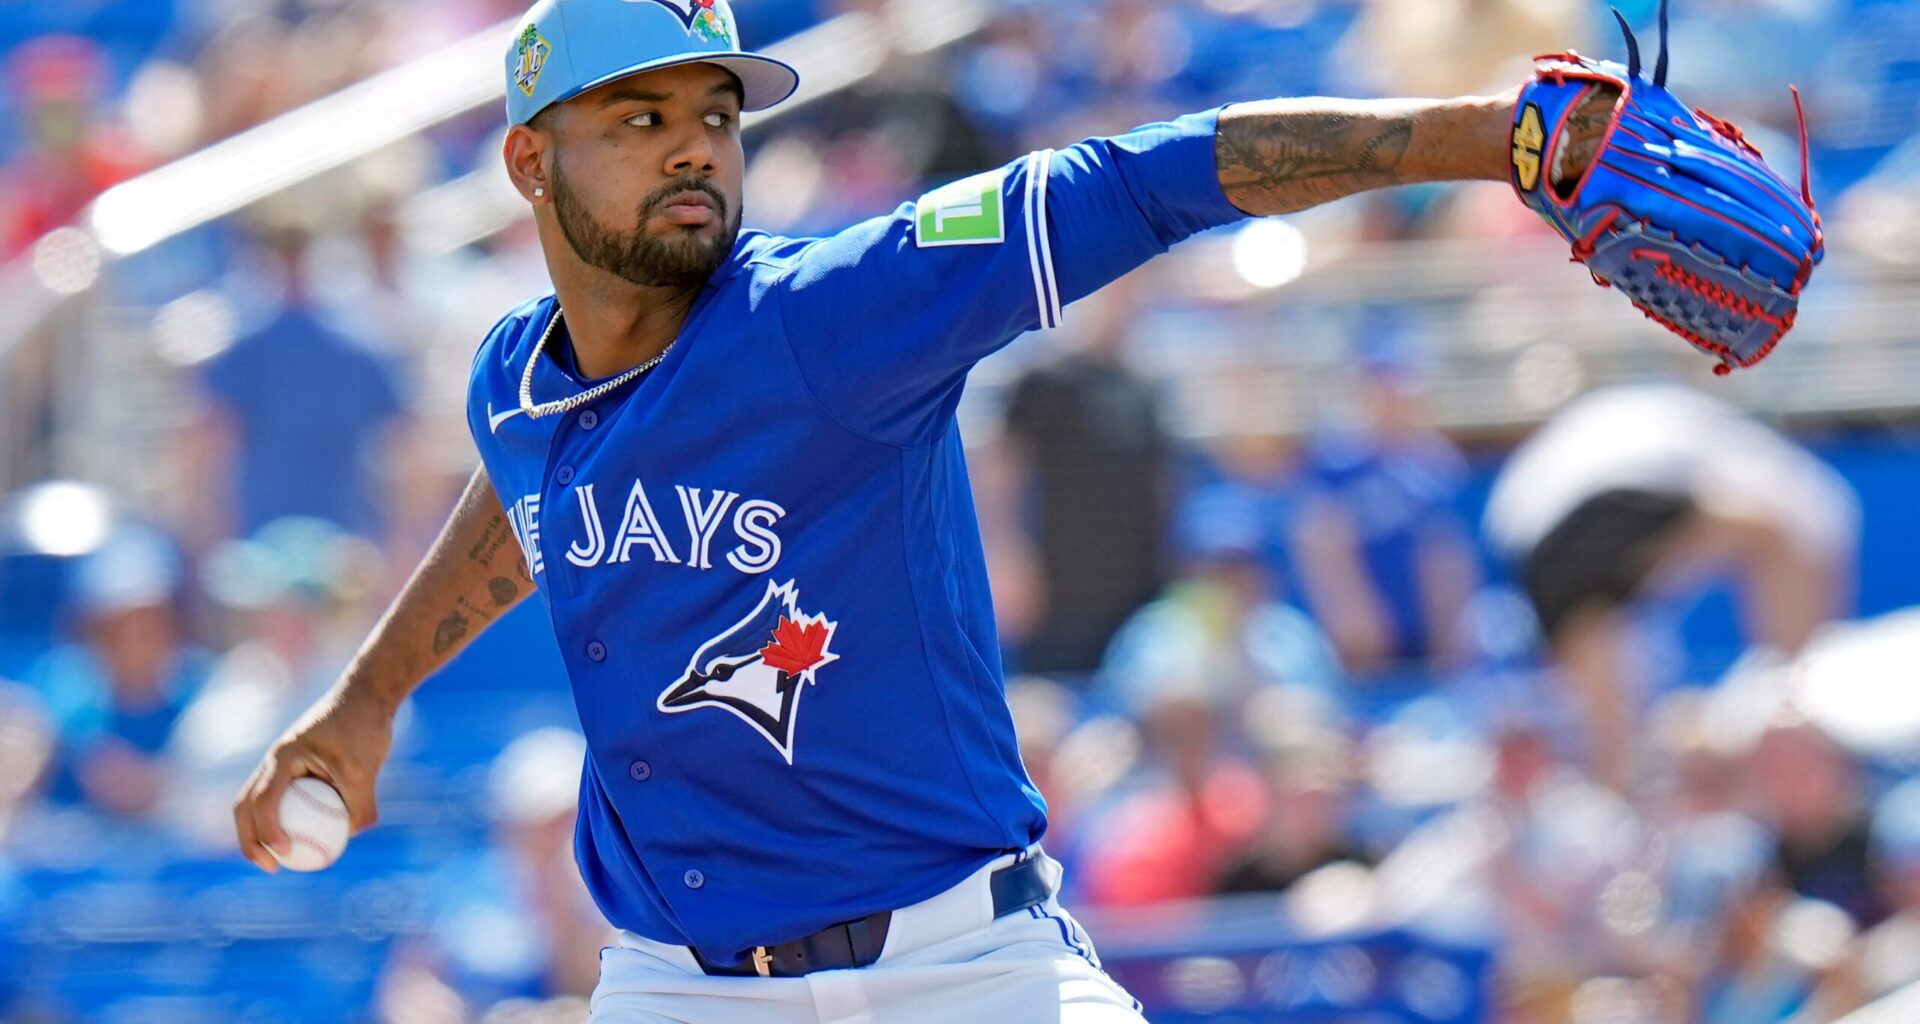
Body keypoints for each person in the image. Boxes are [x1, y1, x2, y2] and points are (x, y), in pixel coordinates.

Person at [232, 0, 1617, 1019]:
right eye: (640, 119)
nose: (694, 149)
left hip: (960, 966)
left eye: (715, 115)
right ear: (531, 162)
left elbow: (1136, 182)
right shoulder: (516, 381)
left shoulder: (832, 315)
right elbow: (523, 495)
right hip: (676, 985)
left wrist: (1479, 135)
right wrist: (368, 695)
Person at [1483, 383, 1857, 793]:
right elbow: (1781, 535)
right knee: (1769, 541)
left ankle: (1616, 796)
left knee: (1611, 735)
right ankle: (1784, 705)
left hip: (1529, 542)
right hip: (1609, 498)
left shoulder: (1694, 439)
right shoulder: (1800, 496)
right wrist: (1793, 675)